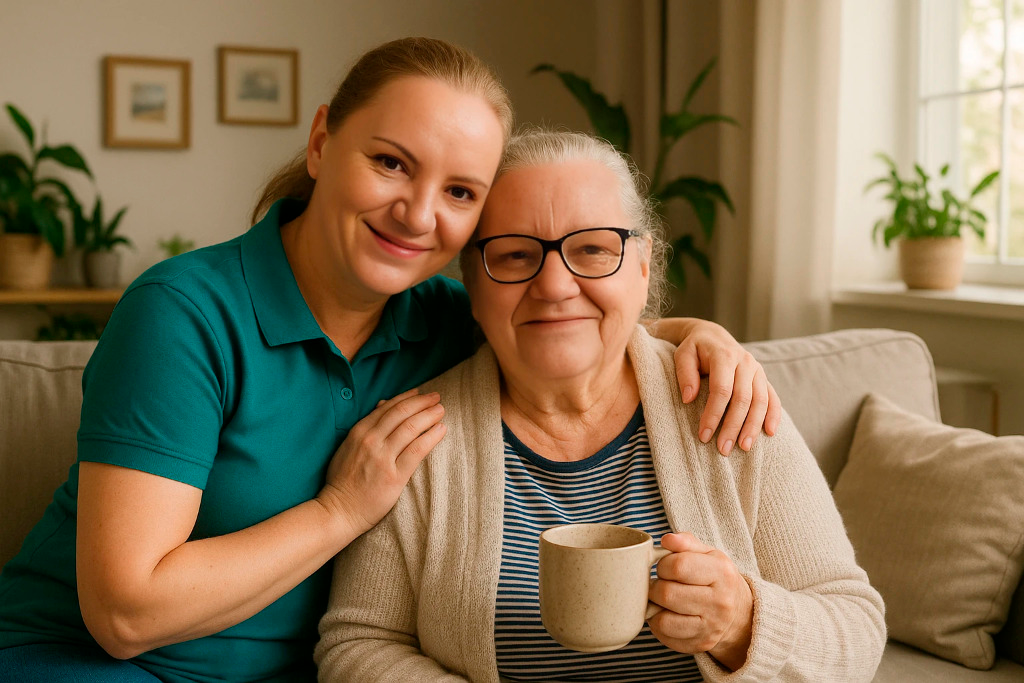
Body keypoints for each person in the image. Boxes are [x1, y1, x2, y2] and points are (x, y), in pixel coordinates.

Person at [0, 39, 780, 682]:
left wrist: (695, 335)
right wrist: (342, 509)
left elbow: (565, 317)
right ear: (320, 142)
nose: (418, 214)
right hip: (82, 664)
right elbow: (125, 613)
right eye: (391, 163)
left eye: (461, 192)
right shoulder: (182, 314)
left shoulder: (442, 322)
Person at [315, 129, 886, 682]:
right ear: (472, 283)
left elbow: (855, 630)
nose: (556, 286)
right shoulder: (416, 440)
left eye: (592, 249)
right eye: (515, 256)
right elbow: (358, 644)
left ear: (642, 264)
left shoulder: (726, 402)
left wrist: (742, 623)